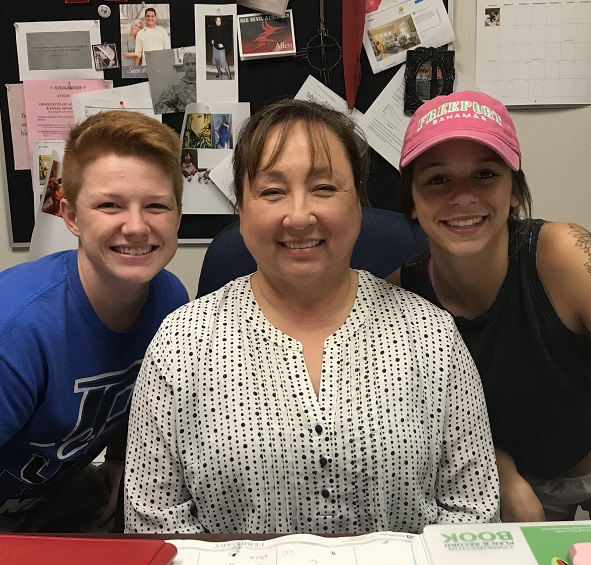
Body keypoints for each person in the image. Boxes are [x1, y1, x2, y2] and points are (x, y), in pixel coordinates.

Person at [124, 99, 499, 534]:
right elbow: (154, 525)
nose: (299, 216)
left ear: (358, 203)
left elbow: (475, 514)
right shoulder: (181, 342)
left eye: (323, 188)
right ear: (241, 211)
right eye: (272, 191)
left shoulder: (430, 334)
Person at [389, 90, 591, 522]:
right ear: (411, 202)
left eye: (485, 174)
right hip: (495, 486)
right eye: (437, 179)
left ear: (515, 190)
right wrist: (503, 473)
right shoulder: (399, 299)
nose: (463, 196)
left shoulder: (563, 254)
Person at [0, 110, 188, 533]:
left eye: (156, 205)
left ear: (177, 216)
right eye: (109, 205)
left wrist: (120, 460)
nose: (136, 226)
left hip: (56, 496)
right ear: (70, 217)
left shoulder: (171, 301)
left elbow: (142, 398)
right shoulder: (16, 331)